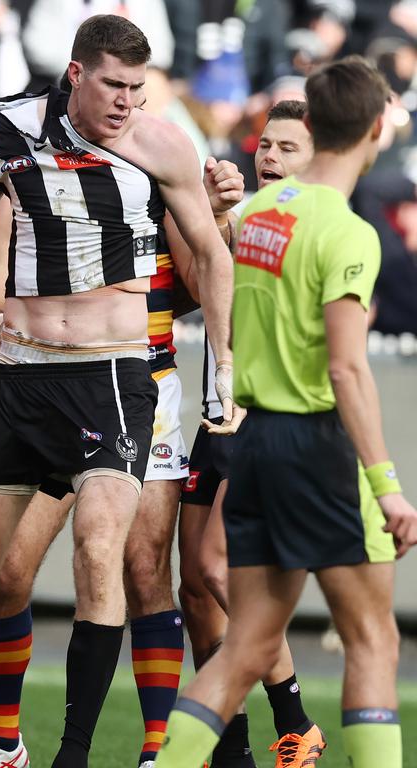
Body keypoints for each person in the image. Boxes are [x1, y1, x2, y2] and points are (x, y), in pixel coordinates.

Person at [0, 14, 238, 768]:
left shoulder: (162, 144)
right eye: (114, 85)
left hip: (115, 374)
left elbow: (210, 257)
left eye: (138, 90)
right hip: (21, 379)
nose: (127, 103)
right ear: (76, 74)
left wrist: (223, 373)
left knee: (105, 554)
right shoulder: (9, 131)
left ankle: (74, 755)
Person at [155, 56, 417, 768]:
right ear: (371, 130)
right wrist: (387, 482)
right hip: (318, 445)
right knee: (372, 640)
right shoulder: (349, 233)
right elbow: (345, 368)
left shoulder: (258, 216)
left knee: (242, 649)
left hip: (254, 440)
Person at [177, 100, 325, 768]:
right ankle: (232, 748)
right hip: (217, 418)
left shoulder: (307, 226)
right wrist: (207, 213)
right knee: (193, 588)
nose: (270, 156)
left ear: (317, 159)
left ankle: (293, 717)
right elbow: (193, 277)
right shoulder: (240, 221)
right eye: (266, 144)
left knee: (215, 567)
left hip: (264, 418)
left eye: (288, 147)